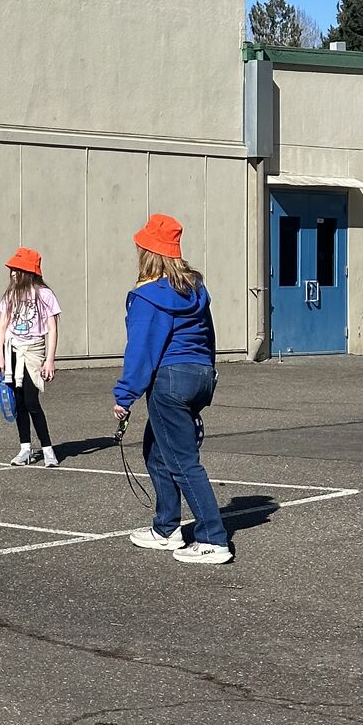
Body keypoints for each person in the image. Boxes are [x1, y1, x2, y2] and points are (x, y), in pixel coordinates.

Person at [113, 214, 231, 565]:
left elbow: (141, 350)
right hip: (199, 375)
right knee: (156, 451)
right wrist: (208, 376)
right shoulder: (194, 289)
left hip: (170, 380)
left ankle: (212, 538)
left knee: (182, 462)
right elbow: (207, 337)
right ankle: (166, 528)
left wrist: (124, 396)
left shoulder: (147, 297)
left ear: (147, 253)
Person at [0, 247, 60, 467]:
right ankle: (25, 449)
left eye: (16, 269)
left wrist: (50, 359)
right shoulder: (11, 294)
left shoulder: (44, 295)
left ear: (27, 271)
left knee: (32, 401)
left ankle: (48, 450)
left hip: (33, 351)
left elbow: (52, 327)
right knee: (18, 402)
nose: (12, 273)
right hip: (12, 350)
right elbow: (2, 326)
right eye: (12, 269)